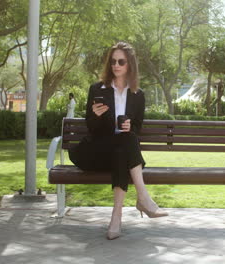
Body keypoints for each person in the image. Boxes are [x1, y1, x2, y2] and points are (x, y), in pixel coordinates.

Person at [68, 42, 168, 240]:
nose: (116, 65)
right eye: (113, 61)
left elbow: (137, 127)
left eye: (121, 61)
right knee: (126, 142)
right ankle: (143, 198)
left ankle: (116, 218)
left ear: (130, 64)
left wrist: (131, 127)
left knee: (124, 148)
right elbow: (92, 129)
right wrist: (95, 116)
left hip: (117, 155)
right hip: (94, 153)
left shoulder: (138, 95)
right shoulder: (98, 89)